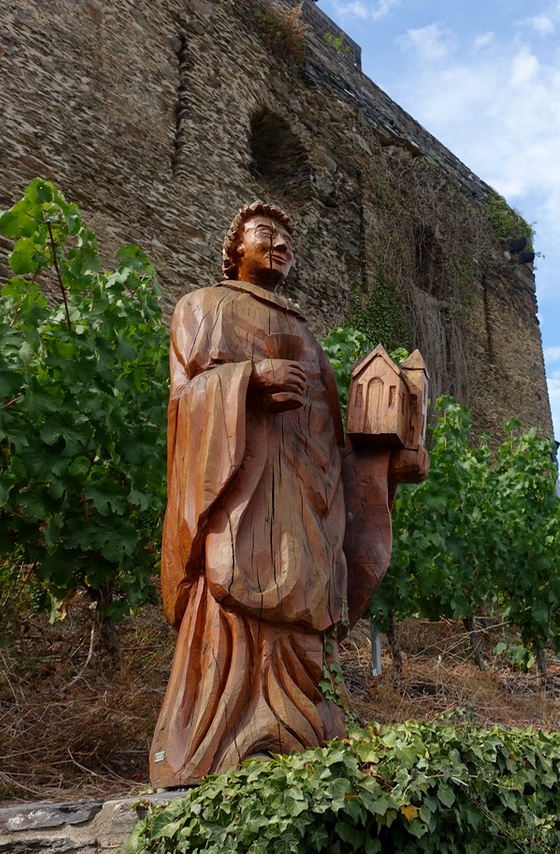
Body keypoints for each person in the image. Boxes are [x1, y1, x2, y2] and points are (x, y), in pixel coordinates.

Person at [149, 201, 424, 787]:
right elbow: (184, 402)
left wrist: (381, 456)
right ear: (235, 249)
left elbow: (330, 437)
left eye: (286, 238)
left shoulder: (305, 334)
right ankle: (218, 742)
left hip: (305, 501)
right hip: (243, 497)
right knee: (234, 599)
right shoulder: (202, 307)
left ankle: (305, 730)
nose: (280, 245)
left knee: (307, 602)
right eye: (264, 235)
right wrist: (246, 382)